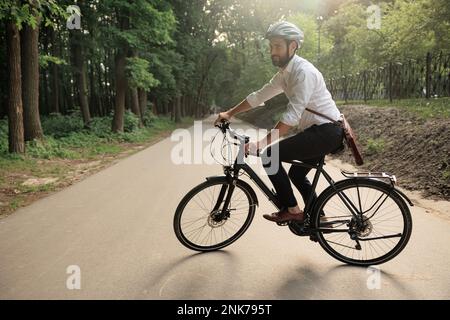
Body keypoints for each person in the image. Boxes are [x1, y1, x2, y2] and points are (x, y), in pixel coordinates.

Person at [214, 21, 344, 224]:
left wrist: (263, 143)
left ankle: (292, 210)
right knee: (297, 174)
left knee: (269, 155)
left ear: (292, 46)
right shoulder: (285, 74)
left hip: (326, 133)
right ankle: (320, 218)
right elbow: (259, 96)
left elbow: (291, 117)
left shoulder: (303, 73)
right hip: (319, 133)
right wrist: (229, 113)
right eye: (271, 47)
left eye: (277, 46)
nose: (272, 51)